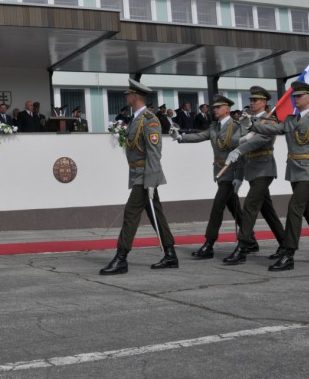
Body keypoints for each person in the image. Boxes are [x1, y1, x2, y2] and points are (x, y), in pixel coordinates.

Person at [249, 81, 309, 271]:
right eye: (294, 96)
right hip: (294, 171)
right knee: (308, 211)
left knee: (294, 208)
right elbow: (274, 128)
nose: (295, 99)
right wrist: (254, 123)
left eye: (299, 96)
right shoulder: (291, 120)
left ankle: (288, 253)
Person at [101, 79, 178, 275]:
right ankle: (170, 254)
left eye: (128, 94)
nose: (126, 97)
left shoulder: (149, 119)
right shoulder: (136, 118)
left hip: (145, 176)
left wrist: (151, 181)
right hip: (138, 174)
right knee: (155, 214)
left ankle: (121, 258)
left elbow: (154, 152)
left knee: (131, 213)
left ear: (135, 96)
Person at [171, 94, 254, 259]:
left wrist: (239, 176)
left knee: (217, 206)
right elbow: (200, 136)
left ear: (227, 109)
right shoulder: (214, 126)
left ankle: (209, 244)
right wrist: (180, 136)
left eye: (218, 107)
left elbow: (242, 152)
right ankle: (250, 240)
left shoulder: (236, 126)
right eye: (214, 107)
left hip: (231, 171)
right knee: (234, 208)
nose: (214, 110)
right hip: (220, 172)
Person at [221, 86, 286, 264]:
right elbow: (233, 140)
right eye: (250, 100)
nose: (251, 102)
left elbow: (261, 140)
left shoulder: (270, 120)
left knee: (250, 205)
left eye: (255, 100)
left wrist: (242, 145)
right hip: (251, 169)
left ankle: (243, 246)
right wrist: (243, 135)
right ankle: (285, 244)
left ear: (264, 103)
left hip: (264, 168)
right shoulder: (248, 119)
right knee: (267, 210)